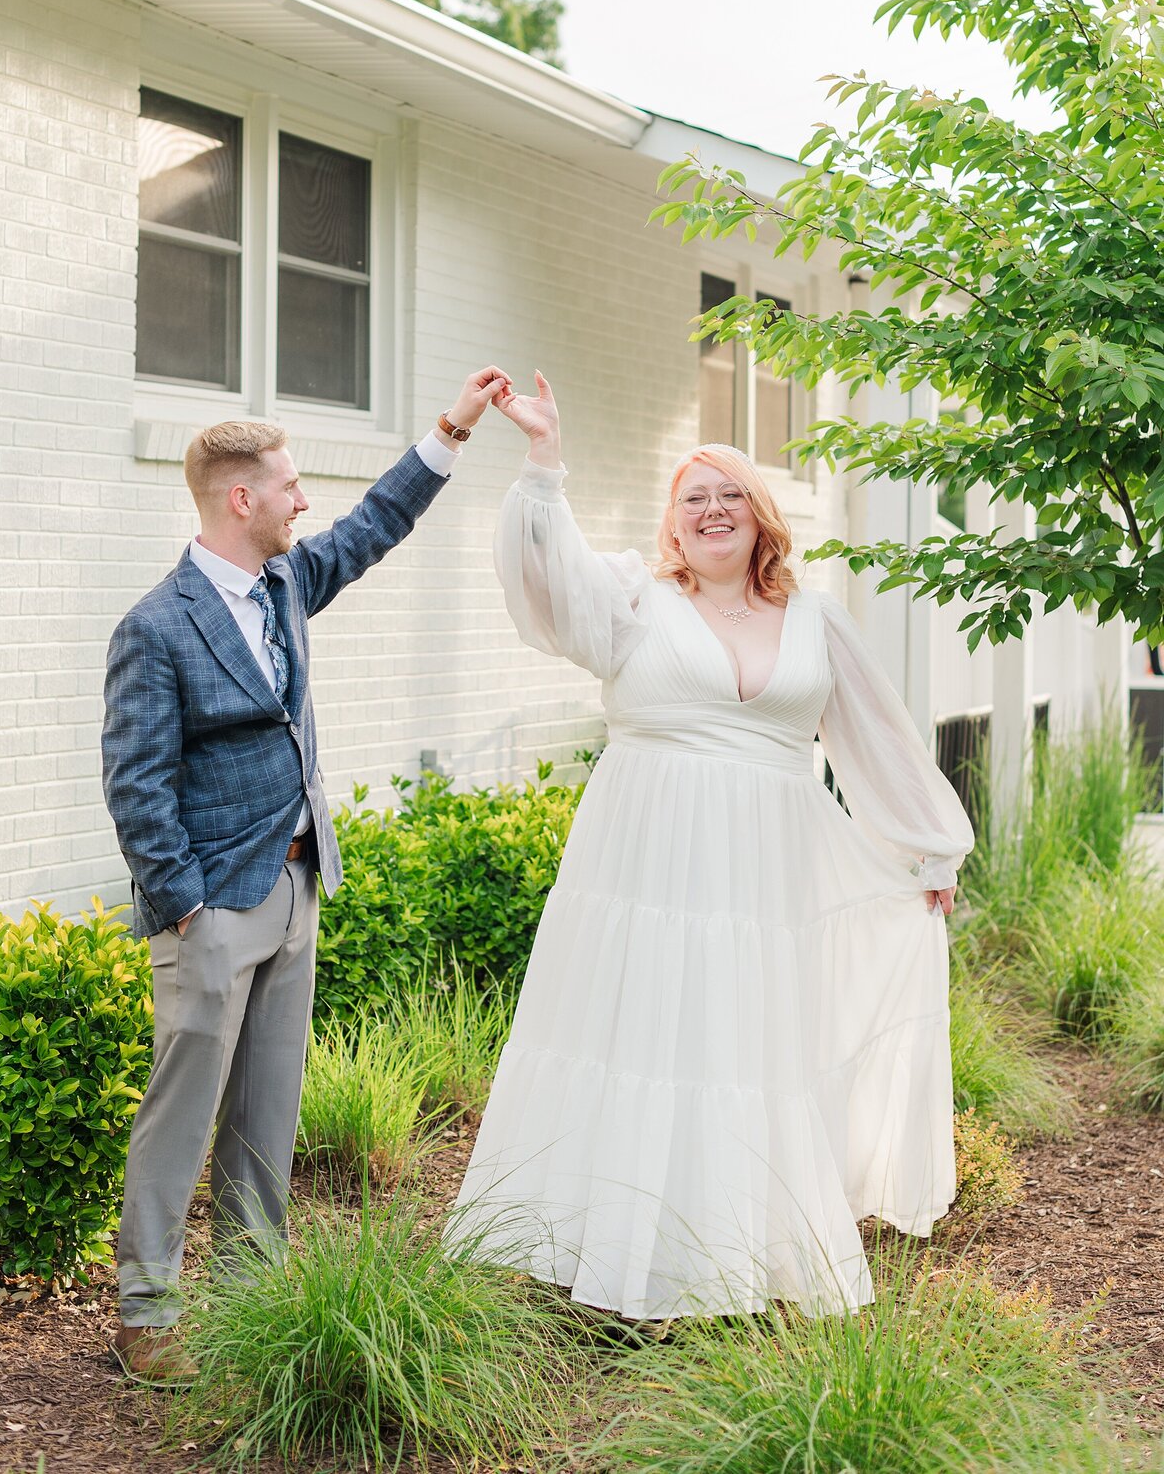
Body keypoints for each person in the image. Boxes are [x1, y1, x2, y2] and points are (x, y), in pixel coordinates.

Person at [448, 372, 974, 1323]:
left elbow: (878, 740)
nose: (713, 508)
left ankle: (731, 1257)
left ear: (762, 519)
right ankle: (602, 1257)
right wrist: (545, 457)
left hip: (765, 866)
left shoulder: (816, 622)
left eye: (732, 493)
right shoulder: (629, 601)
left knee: (743, 1039)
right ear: (674, 525)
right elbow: (542, 578)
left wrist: (929, 850)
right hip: (642, 858)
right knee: (639, 1029)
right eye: (694, 497)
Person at [101, 368, 508, 1381]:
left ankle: (249, 1297)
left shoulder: (284, 582)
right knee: (182, 1111)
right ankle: (147, 1312)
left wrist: (449, 431)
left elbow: (372, 526)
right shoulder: (155, 627)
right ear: (241, 498)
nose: (302, 500)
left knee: (267, 1107)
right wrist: (187, 905)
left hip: (296, 886)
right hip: (212, 909)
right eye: (287, 485)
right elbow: (136, 784)